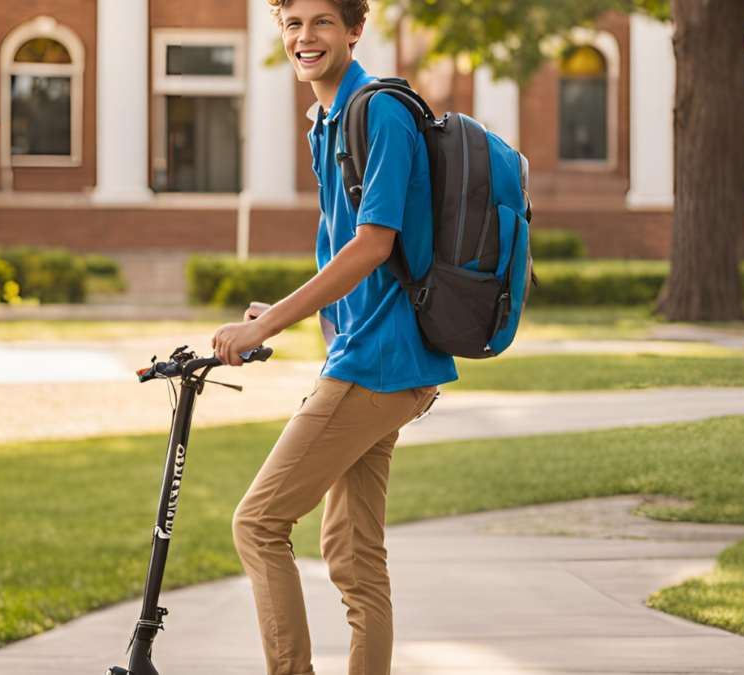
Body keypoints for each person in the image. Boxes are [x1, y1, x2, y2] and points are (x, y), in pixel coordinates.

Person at [210, 0, 458, 672]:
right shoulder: (330, 120)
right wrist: (293, 314)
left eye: (321, 21)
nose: (304, 37)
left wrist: (267, 322)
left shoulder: (378, 112)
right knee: (354, 556)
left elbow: (373, 245)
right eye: (292, 24)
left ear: (354, 29)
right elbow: (342, 258)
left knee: (257, 524)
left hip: (377, 364)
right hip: (380, 357)